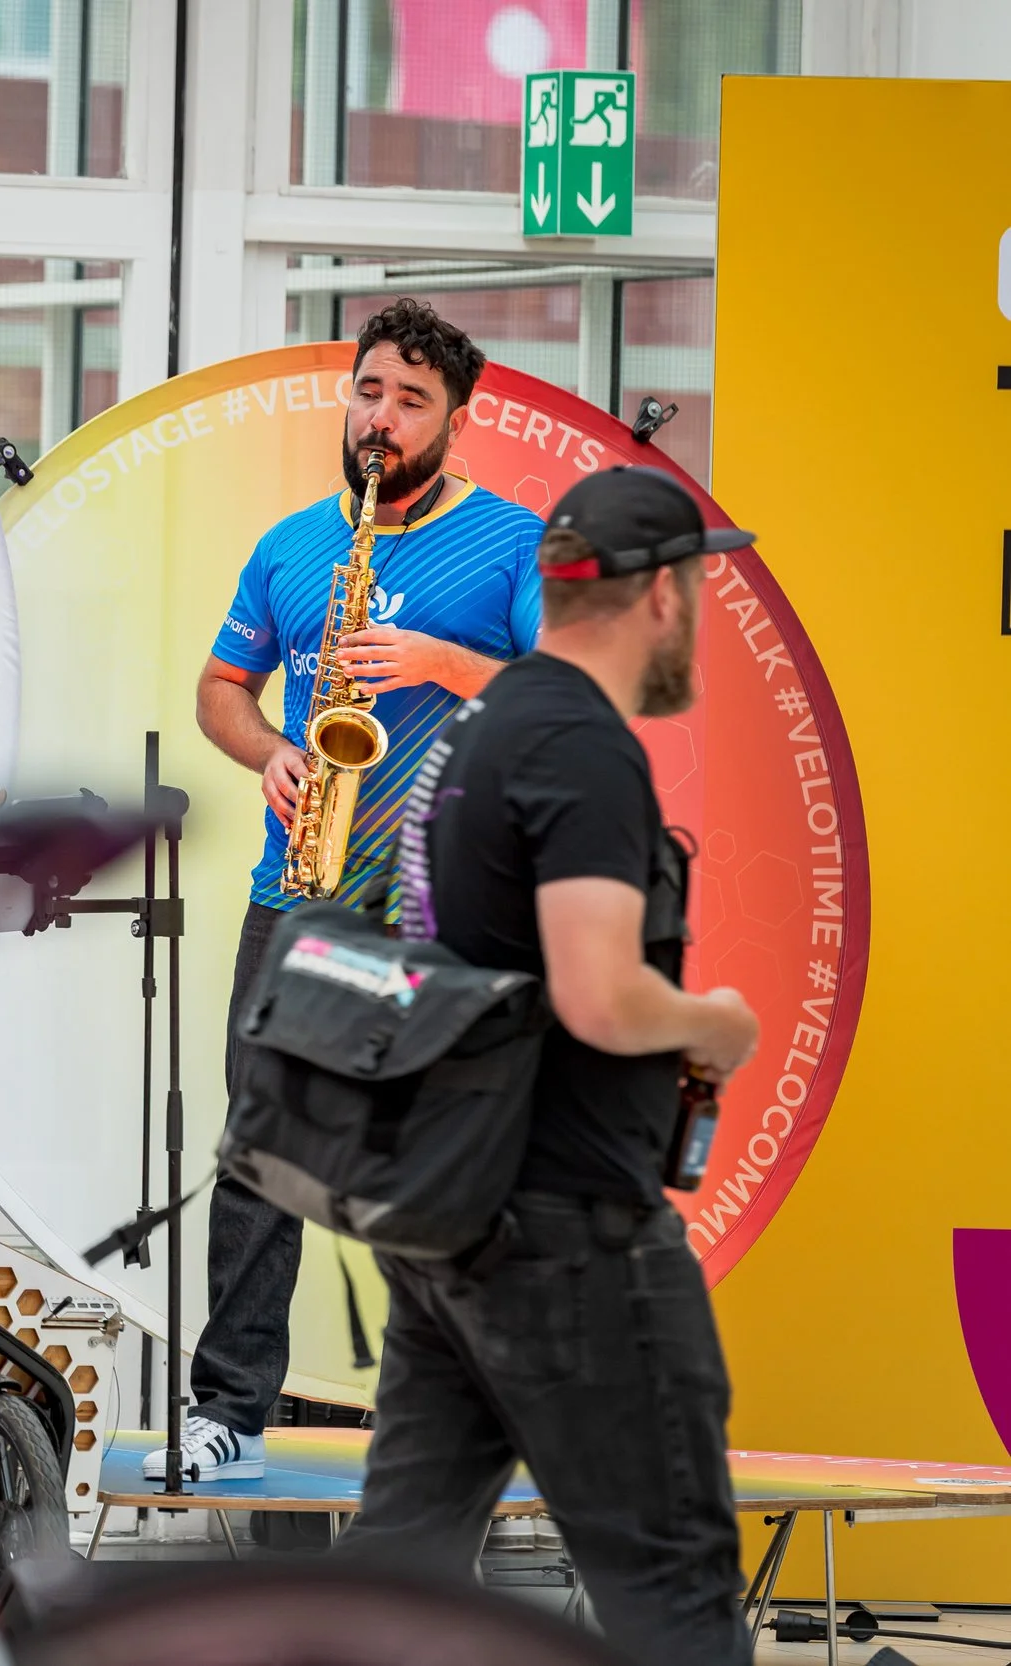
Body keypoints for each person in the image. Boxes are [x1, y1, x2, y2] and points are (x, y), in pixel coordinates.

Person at [338, 465, 761, 1664]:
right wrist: (709, 1022)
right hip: (568, 1226)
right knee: (670, 1583)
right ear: (661, 597)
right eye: (695, 585)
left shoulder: (479, 726)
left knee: (396, 1579)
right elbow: (598, 992)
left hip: (450, 1218)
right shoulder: (581, 744)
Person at [180, 298, 546, 1482]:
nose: (381, 418)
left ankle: (457, 1423)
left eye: (411, 400)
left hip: (447, 898)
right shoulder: (293, 545)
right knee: (258, 1155)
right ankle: (228, 1402)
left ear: (456, 419)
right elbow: (222, 688)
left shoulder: (508, 544)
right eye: (370, 391)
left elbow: (571, 701)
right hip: (302, 885)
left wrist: (444, 662)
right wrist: (268, 751)